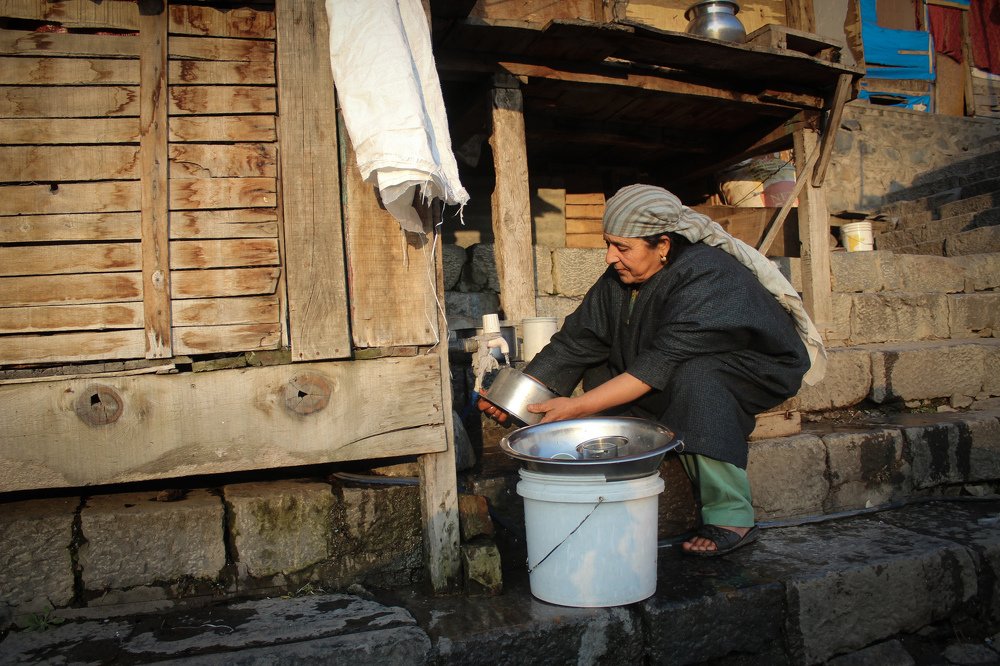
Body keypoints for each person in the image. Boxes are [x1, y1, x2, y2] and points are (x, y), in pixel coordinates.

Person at [480, 184, 826, 556]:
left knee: (698, 380)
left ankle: (732, 517)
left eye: (623, 247)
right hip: (672, 361)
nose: (611, 257)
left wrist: (575, 407)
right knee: (603, 367)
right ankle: (642, 443)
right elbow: (578, 339)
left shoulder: (707, 275)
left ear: (662, 245)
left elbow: (659, 365)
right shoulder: (621, 277)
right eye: (608, 244)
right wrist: (522, 399)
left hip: (752, 369)